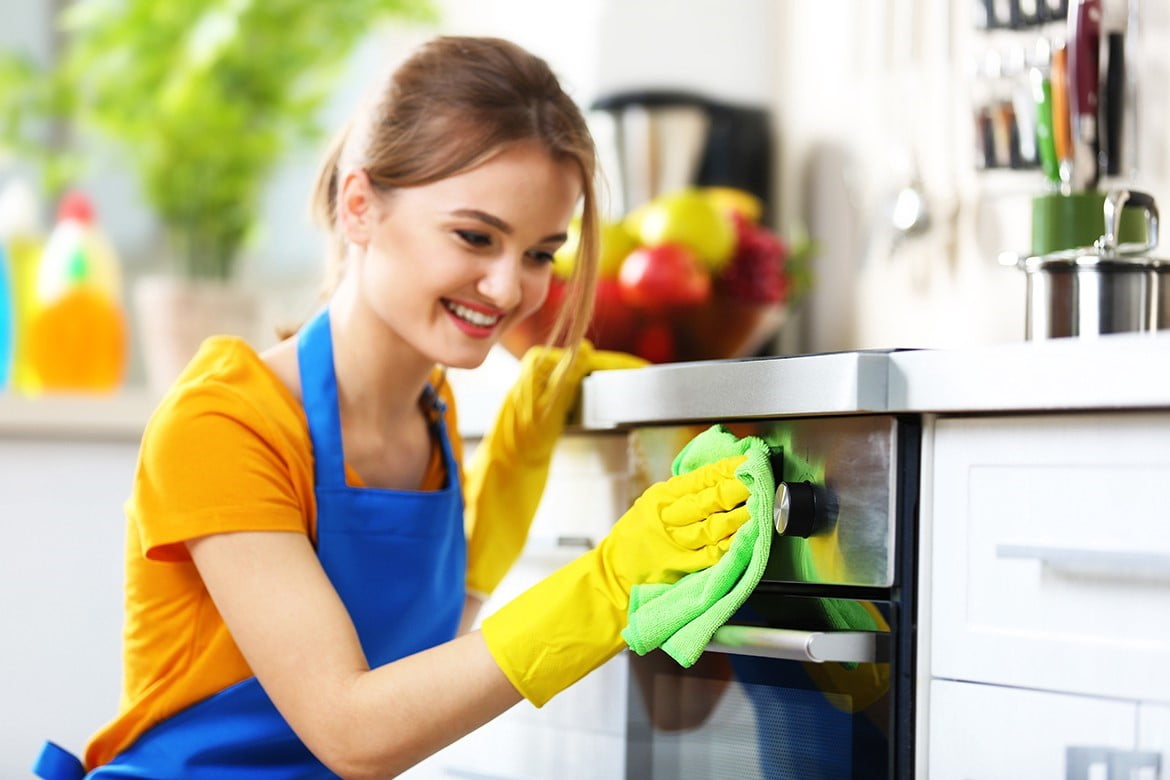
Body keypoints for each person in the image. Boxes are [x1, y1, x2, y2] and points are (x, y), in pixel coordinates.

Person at [33, 35, 751, 779]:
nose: (509, 290)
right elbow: (352, 731)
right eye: (476, 236)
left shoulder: (430, 413)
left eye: (540, 252)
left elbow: (419, 666)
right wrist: (608, 586)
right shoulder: (222, 425)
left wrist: (505, 496)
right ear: (359, 207)